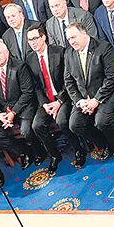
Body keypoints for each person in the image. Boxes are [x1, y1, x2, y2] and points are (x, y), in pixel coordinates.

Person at [64, 23, 114, 161]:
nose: (72, 41)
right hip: (84, 99)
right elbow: (68, 82)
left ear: (84, 33)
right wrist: (80, 101)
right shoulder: (69, 53)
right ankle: (103, 145)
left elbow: (112, 78)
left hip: (109, 93)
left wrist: (96, 100)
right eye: (69, 39)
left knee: (101, 121)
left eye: (74, 37)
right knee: (75, 124)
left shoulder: (104, 48)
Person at [0, 41, 41, 165]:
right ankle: (24, 152)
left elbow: (28, 93)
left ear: (7, 53)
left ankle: (39, 152)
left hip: (22, 107)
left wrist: (13, 112)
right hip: (3, 111)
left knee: (26, 130)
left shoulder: (19, 66)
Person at [24, 25, 72, 172]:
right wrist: (44, 103)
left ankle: (78, 149)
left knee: (62, 121)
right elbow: (36, 86)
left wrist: (59, 101)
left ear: (43, 37)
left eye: (35, 38)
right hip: (45, 100)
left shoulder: (58, 52)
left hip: (63, 96)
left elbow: (68, 80)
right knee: (36, 126)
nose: (33, 42)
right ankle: (54, 155)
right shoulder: (30, 58)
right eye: (29, 40)